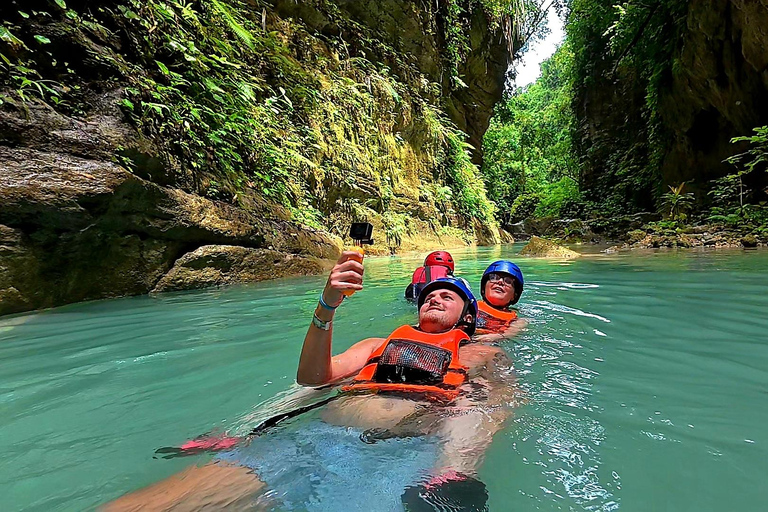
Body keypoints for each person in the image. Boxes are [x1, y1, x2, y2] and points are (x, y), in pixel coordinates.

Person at [105, 251, 518, 512]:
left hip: (401, 457)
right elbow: (311, 377)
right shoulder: (377, 343)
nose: (434, 297)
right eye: (431, 294)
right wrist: (327, 307)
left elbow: (496, 408)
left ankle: (448, 477)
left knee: (476, 398)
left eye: (448, 296)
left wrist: (456, 466)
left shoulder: (480, 354)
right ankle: (244, 435)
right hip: (313, 441)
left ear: (467, 315)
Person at [474, 261, 527, 343]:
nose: (500, 282)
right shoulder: (469, 305)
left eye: (508, 281)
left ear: (514, 296)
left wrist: (498, 337)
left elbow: (509, 333)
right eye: (494, 277)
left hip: (489, 344)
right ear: (484, 288)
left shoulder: (517, 320)